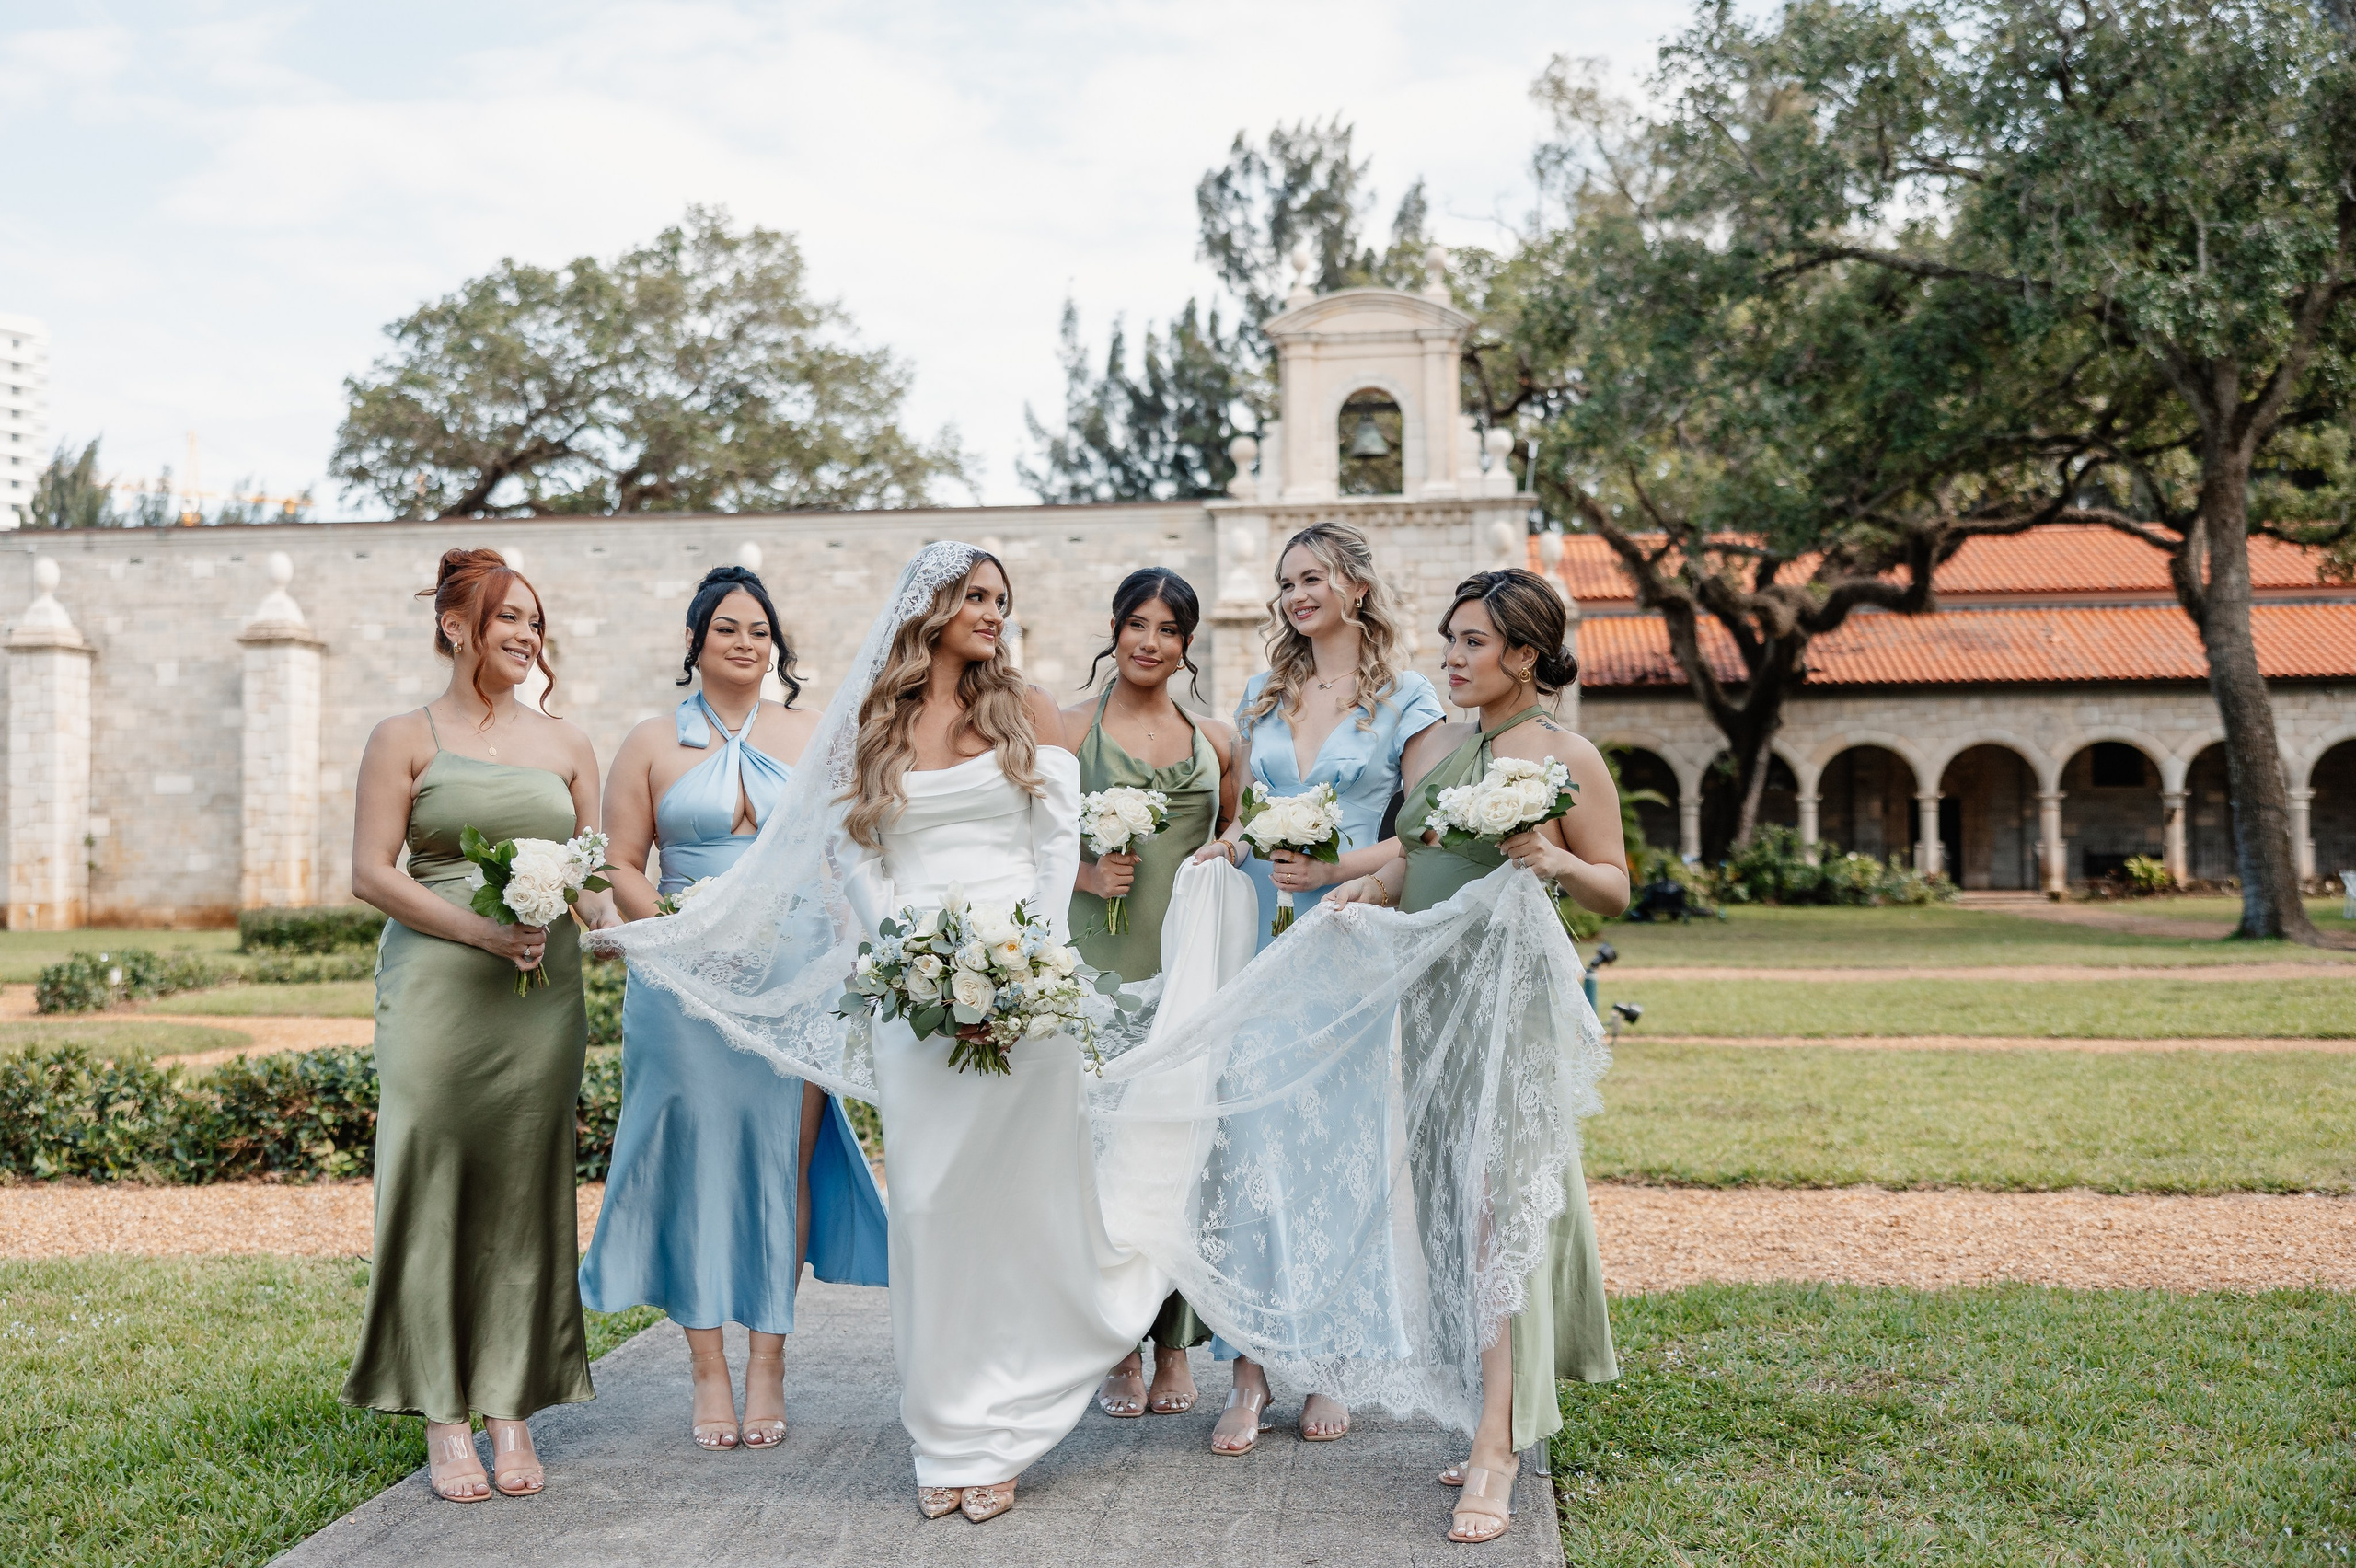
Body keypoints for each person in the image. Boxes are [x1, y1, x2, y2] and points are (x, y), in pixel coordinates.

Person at [1325, 567, 1626, 1543]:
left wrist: (1560, 861)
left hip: (1511, 1002)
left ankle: (1497, 1447)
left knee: (1499, 1209)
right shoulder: (1438, 747)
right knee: (1457, 1210)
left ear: (1525, 656)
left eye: (1471, 643)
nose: (1449, 660)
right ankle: (1490, 1406)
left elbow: (1615, 888)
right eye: (1448, 640)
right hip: (1432, 1002)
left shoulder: (1563, 753)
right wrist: (1366, 891)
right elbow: (1419, 854)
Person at [579, 565, 888, 1453]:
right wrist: (681, 934)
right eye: (727, 629)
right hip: (681, 982)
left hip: (793, 979)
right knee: (695, 1164)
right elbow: (619, 865)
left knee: (777, 1167)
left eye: (760, 629)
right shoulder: (648, 742)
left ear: (776, 647)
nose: (746, 642)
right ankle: (708, 1368)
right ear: (694, 643)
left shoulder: (816, 736)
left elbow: (839, 859)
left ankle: (769, 1363)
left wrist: (840, 952)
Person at [344, 548, 606, 1504]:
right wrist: (483, 934)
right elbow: (374, 873)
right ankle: (443, 1417)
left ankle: (510, 1406)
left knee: (523, 1188)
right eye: (509, 620)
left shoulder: (569, 743)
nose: (527, 636)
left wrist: (643, 933)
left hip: (542, 996)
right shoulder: (400, 736)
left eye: (535, 621)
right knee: (434, 1174)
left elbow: (593, 877)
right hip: (438, 987)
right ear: (458, 627)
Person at [1189, 520, 1445, 1452]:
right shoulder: (1264, 692)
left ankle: (1330, 1363)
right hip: (1263, 939)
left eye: (1312, 578)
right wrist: (1225, 850)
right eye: (1286, 581)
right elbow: (1250, 819)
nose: (1296, 594)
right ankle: (1250, 1372)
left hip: (1343, 942)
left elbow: (1420, 832)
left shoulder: (1408, 698)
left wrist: (1336, 871)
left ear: (1356, 589)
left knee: (1338, 1150)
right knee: (1251, 1142)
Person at [1058, 569, 1237, 1421]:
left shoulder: (1216, 737)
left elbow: (1241, 828)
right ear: (1115, 628)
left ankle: (1175, 1346)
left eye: (1168, 629)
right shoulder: (1066, 732)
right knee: (1100, 1158)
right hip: (1098, 968)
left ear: (1187, 645)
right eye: (1136, 623)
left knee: (1180, 1149)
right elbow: (1021, 837)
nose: (1149, 642)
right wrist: (1082, 874)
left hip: (1188, 971)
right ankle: (1115, 1348)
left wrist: (1229, 850)